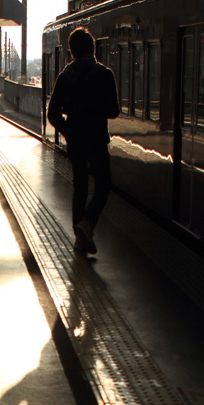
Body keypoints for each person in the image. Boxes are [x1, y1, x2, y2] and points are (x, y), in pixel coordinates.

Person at [47, 27, 119, 255]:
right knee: (103, 185)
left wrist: (69, 130)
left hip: (76, 140)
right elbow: (113, 111)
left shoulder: (65, 76)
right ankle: (87, 225)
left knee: (80, 187)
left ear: (72, 51)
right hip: (97, 137)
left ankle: (80, 238)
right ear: (93, 48)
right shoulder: (105, 74)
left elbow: (52, 114)